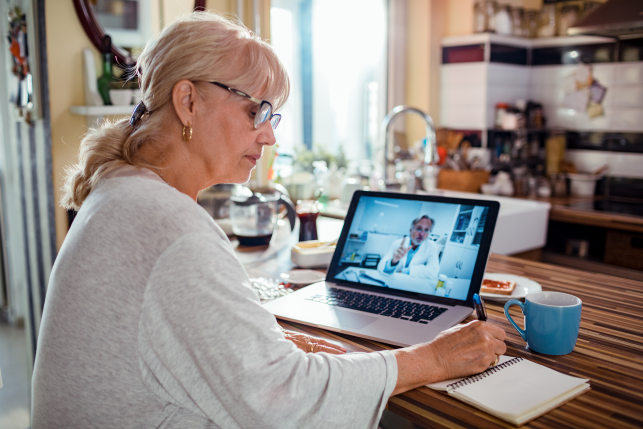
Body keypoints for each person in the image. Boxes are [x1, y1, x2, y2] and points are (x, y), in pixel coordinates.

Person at [31, 12, 506, 429]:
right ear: (188, 101)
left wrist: (262, 341)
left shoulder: (122, 190)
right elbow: (287, 404)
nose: (268, 136)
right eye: (256, 109)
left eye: (271, 116)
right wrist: (434, 357)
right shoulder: (171, 228)